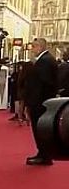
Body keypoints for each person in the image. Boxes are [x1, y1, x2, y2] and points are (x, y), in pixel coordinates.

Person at [25, 38, 58, 166]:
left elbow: (40, 85)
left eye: (33, 46)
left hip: (40, 102)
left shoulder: (44, 61)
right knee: (41, 129)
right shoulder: (47, 60)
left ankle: (44, 155)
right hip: (43, 101)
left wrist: (31, 103)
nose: (32, 49)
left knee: (40, 129)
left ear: (40, 47)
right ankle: (43, 153)